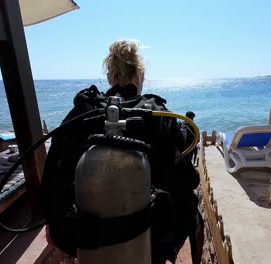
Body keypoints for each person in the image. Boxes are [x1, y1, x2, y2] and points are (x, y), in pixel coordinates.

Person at [41, 40, 202, 264]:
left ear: (109, 75)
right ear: (140, 75)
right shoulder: (157, 115)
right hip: (150, 241)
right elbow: (184, 182)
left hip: (88, 239)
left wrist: (57, 226)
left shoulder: (82, 113)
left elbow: (53, 181)